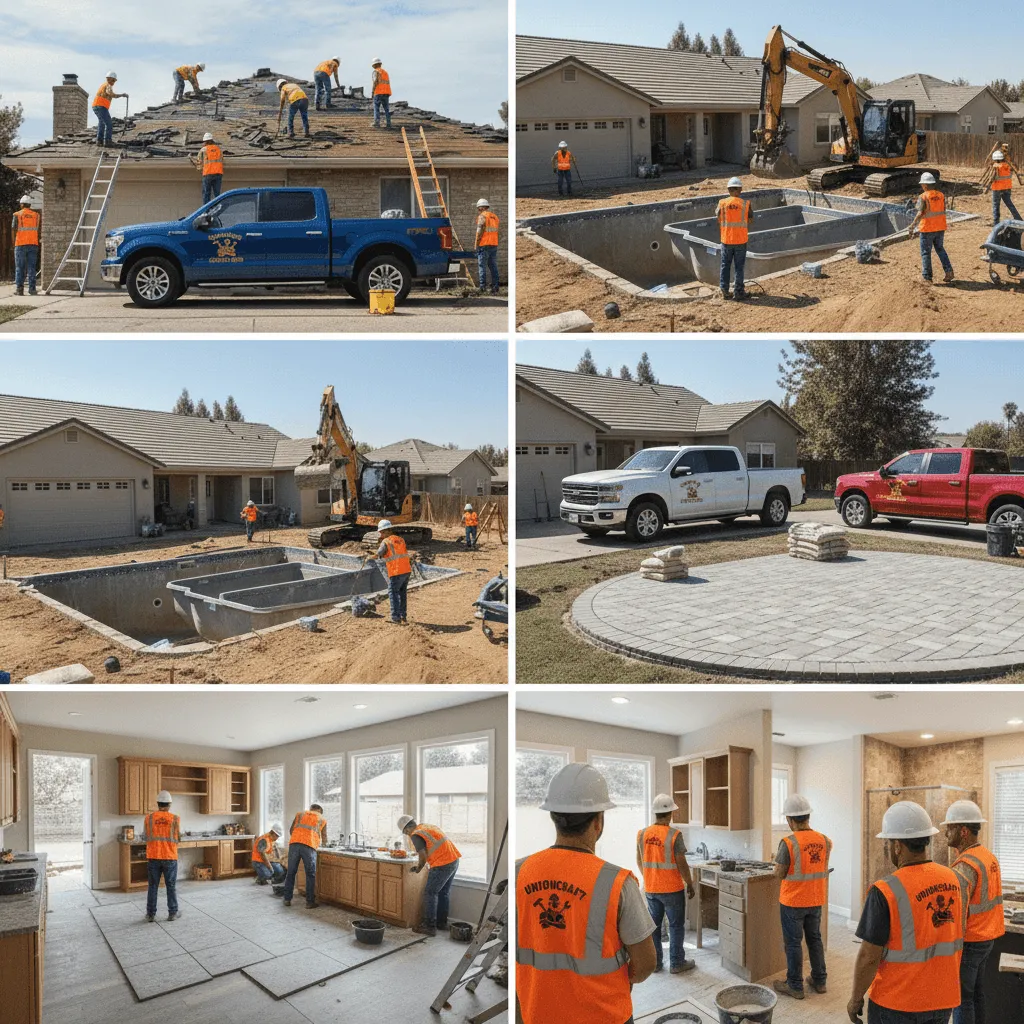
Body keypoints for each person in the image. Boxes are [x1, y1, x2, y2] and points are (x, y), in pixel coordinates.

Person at [516, 762, 657, 1024]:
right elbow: (646, 963)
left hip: (537, 1013)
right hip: (604, 1016)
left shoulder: (518, 873)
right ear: (599, 821)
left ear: (553, 817)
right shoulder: (618, 882)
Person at [847, 800, 964, 1024]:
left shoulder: (885, 890)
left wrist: (855, 999)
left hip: (897, 1003)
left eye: (889, 842)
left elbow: (868, 957)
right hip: (943, 997)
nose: (888, 848)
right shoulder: (953, 878)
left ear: (898, 846)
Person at [943, 800, 1004, 1024]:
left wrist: (951, 948)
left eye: (950, 828)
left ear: (964, 831)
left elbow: (958, 915)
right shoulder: (988, 857)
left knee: (962, 999)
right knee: (977, 993)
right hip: (988, 938)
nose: (945, 833)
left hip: (971, 941)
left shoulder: (964, 865)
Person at [773, 793, 832, 1000]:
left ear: (789, 820)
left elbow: (779, 873)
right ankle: (819, 980)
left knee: (793, 943)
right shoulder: (825, 841)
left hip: (793, 902)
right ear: (808, 816)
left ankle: (795, 985)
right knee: (815, 939)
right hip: (816, 899)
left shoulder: (788, 842)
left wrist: (776, 863)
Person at [636, 793, 696, 975]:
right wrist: (690, 883)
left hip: (652, 889)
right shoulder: (674, 835)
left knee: (654, 926)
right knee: (676, 926)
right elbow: (681, 863)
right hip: (672, 890)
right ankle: (677, 963)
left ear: (655, 813)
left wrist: (649, 878)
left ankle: (656, 963)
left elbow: (639, 860)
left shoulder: (642, 833)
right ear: (670, 813)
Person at [398, 814, 461, 937]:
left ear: (407, 829)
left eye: (406, 833)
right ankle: (441, 923)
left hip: (442, 864)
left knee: (430, 893)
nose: (407, 836)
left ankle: (429, 926)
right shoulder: (426, 827)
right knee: (443, 893)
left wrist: (418, 868)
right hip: (454, 859)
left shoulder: (416, 835)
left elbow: (423, 857)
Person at [909, 172, 954, 285]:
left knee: (925, 253)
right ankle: (949, 271)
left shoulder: (923, 196)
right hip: (940, 227)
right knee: (940, 249)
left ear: (924, 185)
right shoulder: (941, 195)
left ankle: (927, 277)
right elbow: (941, 210)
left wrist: (912, 225)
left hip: (927, 229)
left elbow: (920, 213)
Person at [280, 803, 328, 908]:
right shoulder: (322, 819)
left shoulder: (300, 814)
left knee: (291, 872)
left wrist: (298, 839)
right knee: (310, 874)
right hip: (309, 846)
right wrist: (322, 844)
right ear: (320, 811)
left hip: (294, 844)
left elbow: (291, 830)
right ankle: (309, 902)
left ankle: (287, 899)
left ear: (311, 809)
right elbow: (324, 839)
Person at [143, 789, 180, 923]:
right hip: (170, 857)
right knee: (171, 886)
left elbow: (146, 837)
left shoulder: (149, 818)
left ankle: (150, 914)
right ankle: (172, 913)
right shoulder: (175, 819)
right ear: (169, 804)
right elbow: (177, 838)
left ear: (158, 803)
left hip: (153, 856)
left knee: (153, 886)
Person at [717, 176, 754, 301]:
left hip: (726, 240)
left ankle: (724, 290)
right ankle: (738, 292)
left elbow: (717, 216)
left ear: (728, 190)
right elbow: (750, 219)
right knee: (739, 267)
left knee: (725, 265)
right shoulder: (745, 204)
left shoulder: (722, 203)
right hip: (740, 241)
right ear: (739, 190)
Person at [369, 519, 411, 624]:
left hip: (396, 571)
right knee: (402, 593)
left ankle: (395, 618)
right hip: (406, 570)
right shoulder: (400, 539)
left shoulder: (386, 542)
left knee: (393, 593)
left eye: (381, 532)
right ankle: (403, 616)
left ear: (384, 531)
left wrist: (368, 558)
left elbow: (378, 554)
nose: (380, 534)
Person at [12, 195, 40, 296]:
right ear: (29, 204)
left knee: (20, 267)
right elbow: (37, 229)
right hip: (33, 244)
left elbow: (13, 228)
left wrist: (13, 243)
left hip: (20, 244)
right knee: (32, 267)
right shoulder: (36, 215)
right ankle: (32, 290)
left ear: (22, 204)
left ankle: (20, 290)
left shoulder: (17, 215)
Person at [988, 149, 1022, 225]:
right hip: (1007, 188)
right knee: (1009, 204)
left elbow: (992, 178)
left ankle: (996, 223)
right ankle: (1018, 219)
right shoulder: (1009, 166)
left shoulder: (995, 167)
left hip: (997, 189)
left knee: (996, 206)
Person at [93, 72, 128, 147]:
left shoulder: (104, 85)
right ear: (109, 79)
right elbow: (110, 93)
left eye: (114, 81)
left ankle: (99, 141)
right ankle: (107, 141)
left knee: (101, 123)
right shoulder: (108, 85)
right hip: (101, 106)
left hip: (97, 106)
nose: (114, 82)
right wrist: (122, 95)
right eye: (113, 80)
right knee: (108, 124)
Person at [474, 198, 500, 294]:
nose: (478, 210)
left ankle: (482, 287)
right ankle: (495, 286)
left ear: (481, 207)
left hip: (484, 245)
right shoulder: (495, 217)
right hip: (493, 244)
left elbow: (479, 231)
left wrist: (476, 243)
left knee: (482, 266)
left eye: (478, 208)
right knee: (493, 266)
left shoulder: (482, 217)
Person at [196, 132, 223, 203]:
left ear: (205, 141)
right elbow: (222, 159)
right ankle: (218, 208)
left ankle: (206, 210)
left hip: (208, 174)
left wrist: (199, 168)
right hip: (218, 173)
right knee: (217, 194)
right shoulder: (218, 149)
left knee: (206, 193)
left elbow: (199, 163)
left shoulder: (203, 150)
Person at [371, 59, 392, 128]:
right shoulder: (385, 72)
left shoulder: (376, 72)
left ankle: (377, 122)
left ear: (374, 65)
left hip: (378, 93)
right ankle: (388, 123)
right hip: (386, 93)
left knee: (376, 107)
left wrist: (372, 92)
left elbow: (375, 82)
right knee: (386, 109)